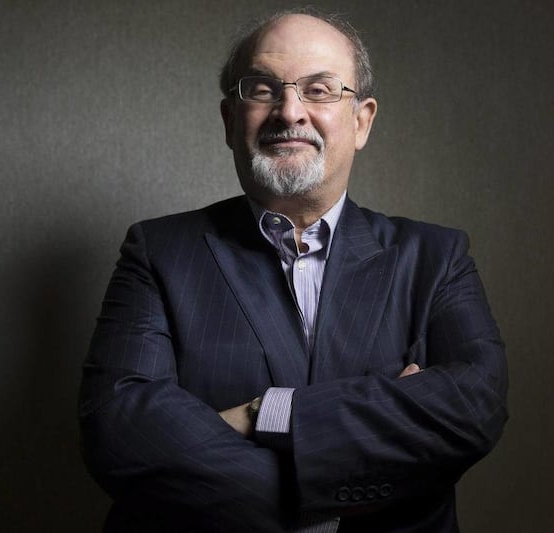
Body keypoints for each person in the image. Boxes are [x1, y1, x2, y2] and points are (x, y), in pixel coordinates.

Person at [79, 9, 508, 532]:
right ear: (229, 120)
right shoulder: (158, 251)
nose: (289, 111)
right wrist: (328, 501)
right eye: (261, 89)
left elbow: (473, 408)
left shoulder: (437, 257)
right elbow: (121, 432)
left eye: (320, 89)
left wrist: (265, 414)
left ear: (362, 120)